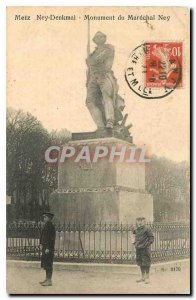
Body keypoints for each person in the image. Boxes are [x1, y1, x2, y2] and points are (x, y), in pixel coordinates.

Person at [86, 31, 125, 130]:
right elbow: (90, 68)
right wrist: (88, 80)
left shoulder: (109, 48)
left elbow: (102, 60)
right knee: (89, 102)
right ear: (94, 40)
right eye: (97, 37)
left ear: (105, 38)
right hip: (93, 78)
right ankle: (100, 126)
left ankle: (110, 122)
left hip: (104, 75)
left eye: (101, 36)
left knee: (107, 97)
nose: (99, 38)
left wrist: (90, 61)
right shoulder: (92, 54)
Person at [132, 217, 154, 284]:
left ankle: (147, 278)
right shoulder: (136, 229)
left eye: (141, 220)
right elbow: (133, 236)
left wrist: (146, 244)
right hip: (138, 248)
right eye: (138, 220)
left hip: (145, 249)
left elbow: (151, 238)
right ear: (136, 221)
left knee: (146, 262)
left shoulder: (147, 229)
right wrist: (134, 243)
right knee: (140, 262)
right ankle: (143, 277)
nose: (140, 222)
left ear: (144, 221)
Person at [39, 212, 56, 286]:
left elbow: (51, 238)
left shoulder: (50, 226)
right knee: (46, 264)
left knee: (48, 264)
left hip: (48, 248)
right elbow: (43, 235)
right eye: (44, 217)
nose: (44, 218)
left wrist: (48, 248)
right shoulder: (46, 225)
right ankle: (46, 279)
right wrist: (41, 243)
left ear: (49, 218)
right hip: (45, 247)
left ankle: (49, 280)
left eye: (45, 217)